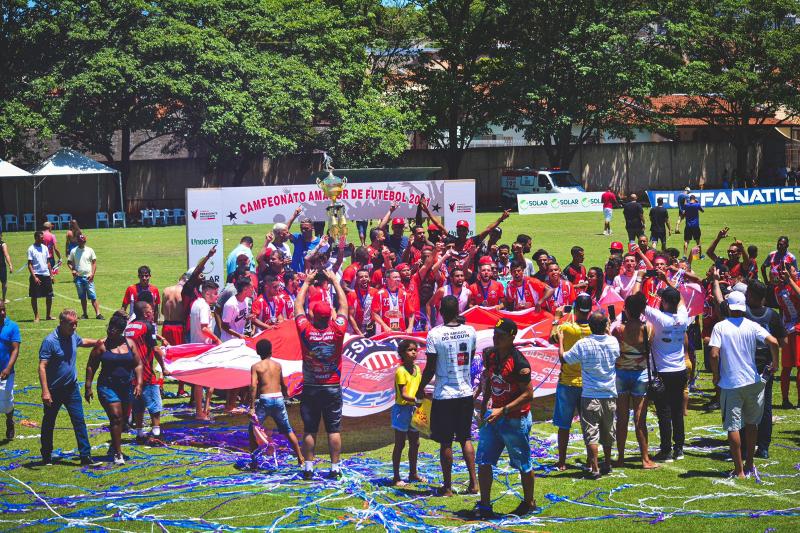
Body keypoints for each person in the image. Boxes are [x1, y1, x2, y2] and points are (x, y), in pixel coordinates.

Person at [708, 291, 780, 478]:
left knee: (733, 426)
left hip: (731, 383)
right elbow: (773, 341)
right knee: (751, 423)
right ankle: (749, 463)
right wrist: (776, 363)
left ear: (729, 307)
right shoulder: (752, 325)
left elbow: (714, 354)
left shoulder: (720, 327)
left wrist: (715, 374)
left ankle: (739, 469)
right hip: (752, 381)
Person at [472, 318, 535, 519]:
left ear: (512, 336)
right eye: (495, 333)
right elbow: (489, 380)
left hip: (515, 418)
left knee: (523, 463)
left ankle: (528, 502)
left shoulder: (520, 363)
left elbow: (528, 394)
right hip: (494, 416)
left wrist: (504, 410)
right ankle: (484, 504)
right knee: (483, 459)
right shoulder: (489, 354)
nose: (496, 337)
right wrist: (484, 405)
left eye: (501, 334)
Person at [417, 295, 478, 497]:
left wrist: (420, 387)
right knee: (466, 438)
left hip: (445, 394)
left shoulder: (435, 334)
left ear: (441, 312)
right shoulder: (470, 331)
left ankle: (448, 487)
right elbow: (471, 355)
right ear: (458, 311)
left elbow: (430, 367)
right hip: (465, 392)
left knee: (446, 442)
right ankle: (474, 483)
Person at [294, 268, 349, 480]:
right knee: (333, 430)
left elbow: (298, 306)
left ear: (313, 315)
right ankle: (335, 468)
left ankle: (308, 467)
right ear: (329, 317)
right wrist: (335, 281)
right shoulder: (337, 330)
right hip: (332, 385)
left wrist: (306, 283)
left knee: (310, 430)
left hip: (310, 386)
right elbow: (344, 306)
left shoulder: (305, 330)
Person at [558, 311, 620, 479]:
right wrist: (607, 331)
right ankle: (607, 463)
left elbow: (565, 359)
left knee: (591, 433)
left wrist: (562, 341)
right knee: (608, 431)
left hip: (590, 394)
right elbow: (616, 354)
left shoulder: (583, 344)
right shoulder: (613, 342)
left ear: (590, 327)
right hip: (609, 393)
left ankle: (594, 468)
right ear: (606, 325)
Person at [38, 309, 101, 466]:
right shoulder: (50, 341)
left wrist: (99, 342)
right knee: (49, 422)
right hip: (54, 390)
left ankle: (85, 456)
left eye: (76, 324)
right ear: (62, 323)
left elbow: (82, 342)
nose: (74, 327)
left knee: (79, 421)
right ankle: (46, 454)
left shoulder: (72, 335)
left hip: (71, 388)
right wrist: (45, 391)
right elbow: (42, 367)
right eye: (71, 324)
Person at [638, 284, 689, 461]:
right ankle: (679, 449)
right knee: (677, 411)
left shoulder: (660, 318)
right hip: (680, 370)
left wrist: (639, 279)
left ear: (665, 302)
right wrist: (668, 285)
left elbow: (638, 301)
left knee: (664, 412)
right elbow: (681, 299)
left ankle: (666, 450)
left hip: (663, 372)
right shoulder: (684, 316)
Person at [85, 313, 143, 465]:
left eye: (115, 329)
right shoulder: (102, 345)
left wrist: (139, 383)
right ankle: (118, 453)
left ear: (121, 331)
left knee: (123, 420)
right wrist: (88, 386)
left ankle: (114, 444)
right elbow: (91, 365)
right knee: (115, 416)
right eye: (109, 327)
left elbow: (138, 364)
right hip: (107, 386)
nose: (110, 331)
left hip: (126, 386)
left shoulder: (130, 344)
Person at [611, 294, 656, 469]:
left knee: (621, 418)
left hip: (621, 374)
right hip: (640, 374)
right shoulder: (649, 328)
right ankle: (645, 459)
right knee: (640, 419)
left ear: (626, 310)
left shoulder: (619, 330)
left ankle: (620, 457)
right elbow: (648, 349)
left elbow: (615, 350)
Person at [248, 339, 304, 470]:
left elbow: (253, 386)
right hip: (278, 399)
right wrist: (286, 394)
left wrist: (251, 407)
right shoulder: (278, 365)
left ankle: (254, 461)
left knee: (253, 429)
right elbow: (283, 384)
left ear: (257, 352)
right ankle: (300, 458)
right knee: (287, 430)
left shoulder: (256, 366)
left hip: (265, 400)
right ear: (271, 351)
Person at [126, 301, 169, 442]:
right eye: (151, 310)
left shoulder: (129, 326)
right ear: (146, 313)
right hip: (145, 370)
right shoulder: (148, 326)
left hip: (130, 371)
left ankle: (139, 432)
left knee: (137, 403)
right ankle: (156, 432)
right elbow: (155, 349)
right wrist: (164, 367)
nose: (153, 312)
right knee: (155, 403)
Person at [391, 339, 424, 487]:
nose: (413, 352)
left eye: (415, 350)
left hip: (414, 410)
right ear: (402, 353)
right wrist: (417, 399)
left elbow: (419, 388)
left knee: (415, 443)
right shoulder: (400, 371)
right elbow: (404, 394)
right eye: (410, 350)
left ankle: (413, 473)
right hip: (402, 410)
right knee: (399, 444)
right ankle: (396, 477)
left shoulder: (418, 369)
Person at [189, 281, 221, 419]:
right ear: (207, 293)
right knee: (205, 380)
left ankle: (203, 409)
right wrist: (217, 339)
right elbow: (204, 328)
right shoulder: (204, 307)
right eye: (214, 294)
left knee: (200, 382)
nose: (217, 296)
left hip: (197, 345)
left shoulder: (196, 303)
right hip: (203, 346)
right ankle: (201, 411)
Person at [774, 267, 800, 408]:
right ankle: (788, 400)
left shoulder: (779, 289)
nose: (797, 272)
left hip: (787, 328)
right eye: (794, 271)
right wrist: (790, 280)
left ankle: (785, 400)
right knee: (790, 367)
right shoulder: (783, 288)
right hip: (796, 330)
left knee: (787, 367)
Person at [67, 234, 104, 320]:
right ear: (78, 241)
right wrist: (73, 270)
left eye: (83, 241)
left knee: (93, 296)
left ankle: (98, 314)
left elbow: (94, 262)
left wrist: (92, 274)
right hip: (78, 277)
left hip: (88, 277)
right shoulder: (73, 251)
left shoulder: (90, 250)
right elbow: (69, 262)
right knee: (82, 297)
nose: (82, 243)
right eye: (80, 241)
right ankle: (85, 314)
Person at [0, 302, 21, 440]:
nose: (2, 313)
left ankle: (9, 421)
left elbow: (15, 349)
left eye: (3, 309)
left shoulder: (12, 326)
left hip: (5, 371)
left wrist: (8, 368)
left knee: (6, 402)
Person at [373, 269, 416, 333]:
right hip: (383, 332)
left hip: (400, 332)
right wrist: (384, 326)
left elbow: (411, 313)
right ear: (387, 279)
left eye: (399, 277)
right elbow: (374, 313)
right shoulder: (380, 294)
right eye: (395, 277)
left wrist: (410, 327)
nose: (398, 279)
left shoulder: (404, 294)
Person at [28, 230, 54, 322]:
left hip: (46, 274)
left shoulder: (45, 247)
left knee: (49, 296)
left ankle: (48, 315)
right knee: (34, 296)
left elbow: (48, 262)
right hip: (37, 275)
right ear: (36, 238)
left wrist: (51, 275)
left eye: (43, 237)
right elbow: (30, 264)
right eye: (41, 237)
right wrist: (34, 277)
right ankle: (37, 316)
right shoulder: (31, 249)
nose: (43, 238)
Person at [0, 231, 13, 303]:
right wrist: (10, 265)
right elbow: (6, 254)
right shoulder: (3, 244)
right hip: (1, 266)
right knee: (4, 282)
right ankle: (4, 299)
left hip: (2, 266)